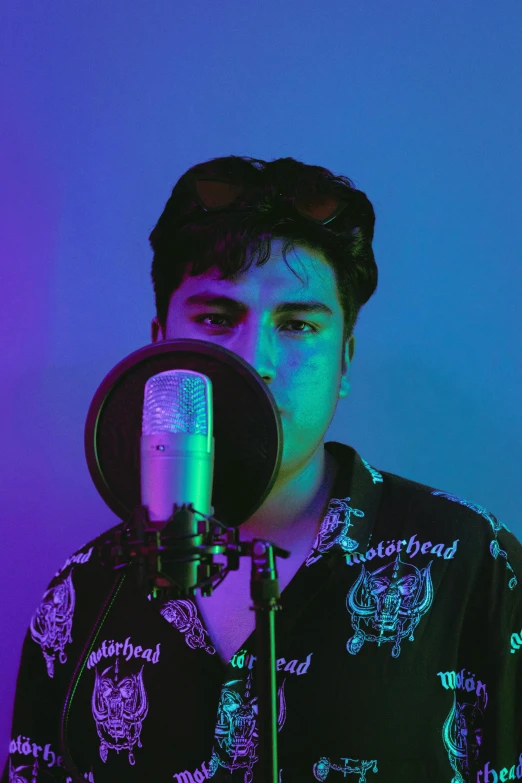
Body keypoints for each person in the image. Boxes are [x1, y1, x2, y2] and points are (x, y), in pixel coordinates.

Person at [3, 155, 521, 783]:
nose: (256, 361)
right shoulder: (81, 595)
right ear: (159, 345)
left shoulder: (473, 563)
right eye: (218, 319)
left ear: (345, 363)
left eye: (298, 324)